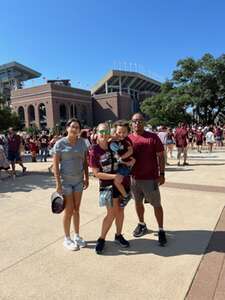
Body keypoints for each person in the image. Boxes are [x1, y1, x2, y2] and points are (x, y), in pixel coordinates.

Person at [89, 122, 130, 254]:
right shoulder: (94, 150)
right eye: (101, 131)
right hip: (107, 185)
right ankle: (101, 239)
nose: (104, 134)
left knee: (120, 211)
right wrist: (114, 177)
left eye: (106, 132)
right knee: (111, 213)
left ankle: (118, 235)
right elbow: (96, 173)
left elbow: (124, 140)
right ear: (96, 133)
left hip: (122, 182)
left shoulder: (114, 143)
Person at [128, 113, 167, 246]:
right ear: (131, 123)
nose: (137, 123)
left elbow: (161, 156)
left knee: (156, 204)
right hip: (134, 179)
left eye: (140, 121)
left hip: (150, 178)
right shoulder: (127, 139)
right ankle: (142, 224)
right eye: (134, 121)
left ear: (144, 122)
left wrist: (162, 174)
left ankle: (161, 230)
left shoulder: (153, 137)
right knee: (138, 203)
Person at [52, 118, 89, 251]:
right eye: (72, 126)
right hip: (66, 182)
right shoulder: (60, 144)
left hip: (79, 181)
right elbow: (55, 166)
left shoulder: (82, 143)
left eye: (77, 127)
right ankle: (67, 238)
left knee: (76, 209)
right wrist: (58, 184)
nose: (74, 129)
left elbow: (85, 161)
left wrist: (87, 178)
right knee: (68, 210)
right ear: (67, 128)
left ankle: (77, 235)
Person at [109, 120, 135, 207]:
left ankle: (126, 196)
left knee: (117, 182)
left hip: (124, 165)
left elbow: (130, 151)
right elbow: (104, 136)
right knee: (117, 182)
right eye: (119, 132)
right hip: (120, 164)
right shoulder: (115, 140)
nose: (121, 134)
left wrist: (121, 158)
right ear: (115, 132)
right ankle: (125, 195)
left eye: (124, 132)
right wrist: (112, 137)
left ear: (128, 132)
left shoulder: (126, 141)